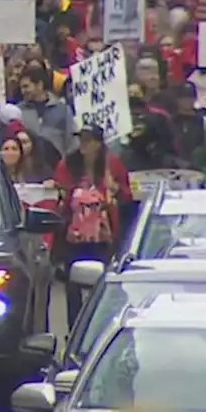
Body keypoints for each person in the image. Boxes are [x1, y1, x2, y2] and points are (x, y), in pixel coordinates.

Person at [52, 126, 132, 328]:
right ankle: (75, 328)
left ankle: (101, 326)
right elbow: (59, 192)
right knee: (73, 285)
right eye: (81, 140)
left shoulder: (112, 164)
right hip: (74, 235)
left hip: (103, 237)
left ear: (98, 143)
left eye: (88, 141)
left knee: (103, 284)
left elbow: (126, 196)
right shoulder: (68, 164)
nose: (84, 145)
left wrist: (114, 188)